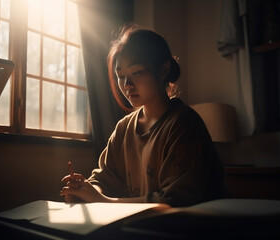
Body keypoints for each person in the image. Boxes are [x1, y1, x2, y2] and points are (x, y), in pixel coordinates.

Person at [60, 24, 224, 207]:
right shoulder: (124, 128)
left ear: (163, 70)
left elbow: (175, 201)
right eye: (120, 76)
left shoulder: (184, 124)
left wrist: (102, 200)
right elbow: (103, 179)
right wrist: (86, 191)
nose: (127, 84)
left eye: (136, 72)